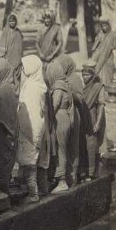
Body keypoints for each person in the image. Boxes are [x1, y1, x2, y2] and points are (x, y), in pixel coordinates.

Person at [16, 55, 47, 202]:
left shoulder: (33, 88)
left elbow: (32, 113)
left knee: (29, 161)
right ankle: (25, 189)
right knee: (26, 159)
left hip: (30, 128)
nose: (22, 69)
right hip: (27, 127)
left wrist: (29, 133)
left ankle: (33, 194)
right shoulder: (34, 83)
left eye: (24, 66)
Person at [56, 54, 89, 184]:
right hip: (68, 113)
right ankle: (67, 176)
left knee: (74, 147)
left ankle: (73, 176)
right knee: (66, 146)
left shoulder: (74, 78)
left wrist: (68, 92)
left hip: (75, 114)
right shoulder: (62, 77)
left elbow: (81, 98)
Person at [0, 58, 18, 197]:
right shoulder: (8, 87)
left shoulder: (3, 91)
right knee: (3, 170)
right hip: (7, 134)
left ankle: (0, 204)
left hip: (3, 133)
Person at [45, 62, 74, 193]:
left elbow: (54, 105)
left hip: (60, 119)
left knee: (60, 149)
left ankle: (62, 181)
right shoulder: (65, 84)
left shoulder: (58, 87)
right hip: (64, 117)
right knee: (62, 148)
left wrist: (45, 115)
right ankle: (62, 177)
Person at [81, 60, 107, 180]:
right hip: (84, 116)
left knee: (92, 145)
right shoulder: (84, 87)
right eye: (83, 75)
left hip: (93, 116)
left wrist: (98, 123)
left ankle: (92, 172)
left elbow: (101, 105)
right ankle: (84, 170)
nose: (85, 77)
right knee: (83, 145)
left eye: (87, 75)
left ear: (93, 75)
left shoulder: (98, 87)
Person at [0, 13, 24, 91]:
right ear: (8, 22)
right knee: (9, 76)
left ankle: (17, 91)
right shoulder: (5, 32)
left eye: (13, 21)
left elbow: (21, 45)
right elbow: (2, 45)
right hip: (8, 57)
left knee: (17, 76)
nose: (12, 23)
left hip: (17, 58)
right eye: (10, 21)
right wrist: (2, 56)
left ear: (16, 22)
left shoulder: (18, 32)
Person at [91, 19, 116, 84]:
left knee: (109, 74)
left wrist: (108, 47)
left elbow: (114, 46)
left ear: (109, 26)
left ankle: (109, 89)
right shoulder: (100, 34)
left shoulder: (114, 34)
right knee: (99, 73)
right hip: (99, 56)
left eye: (105, 26)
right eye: (102, 26)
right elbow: (93, 47)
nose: (104, 28)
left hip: (108, 57)